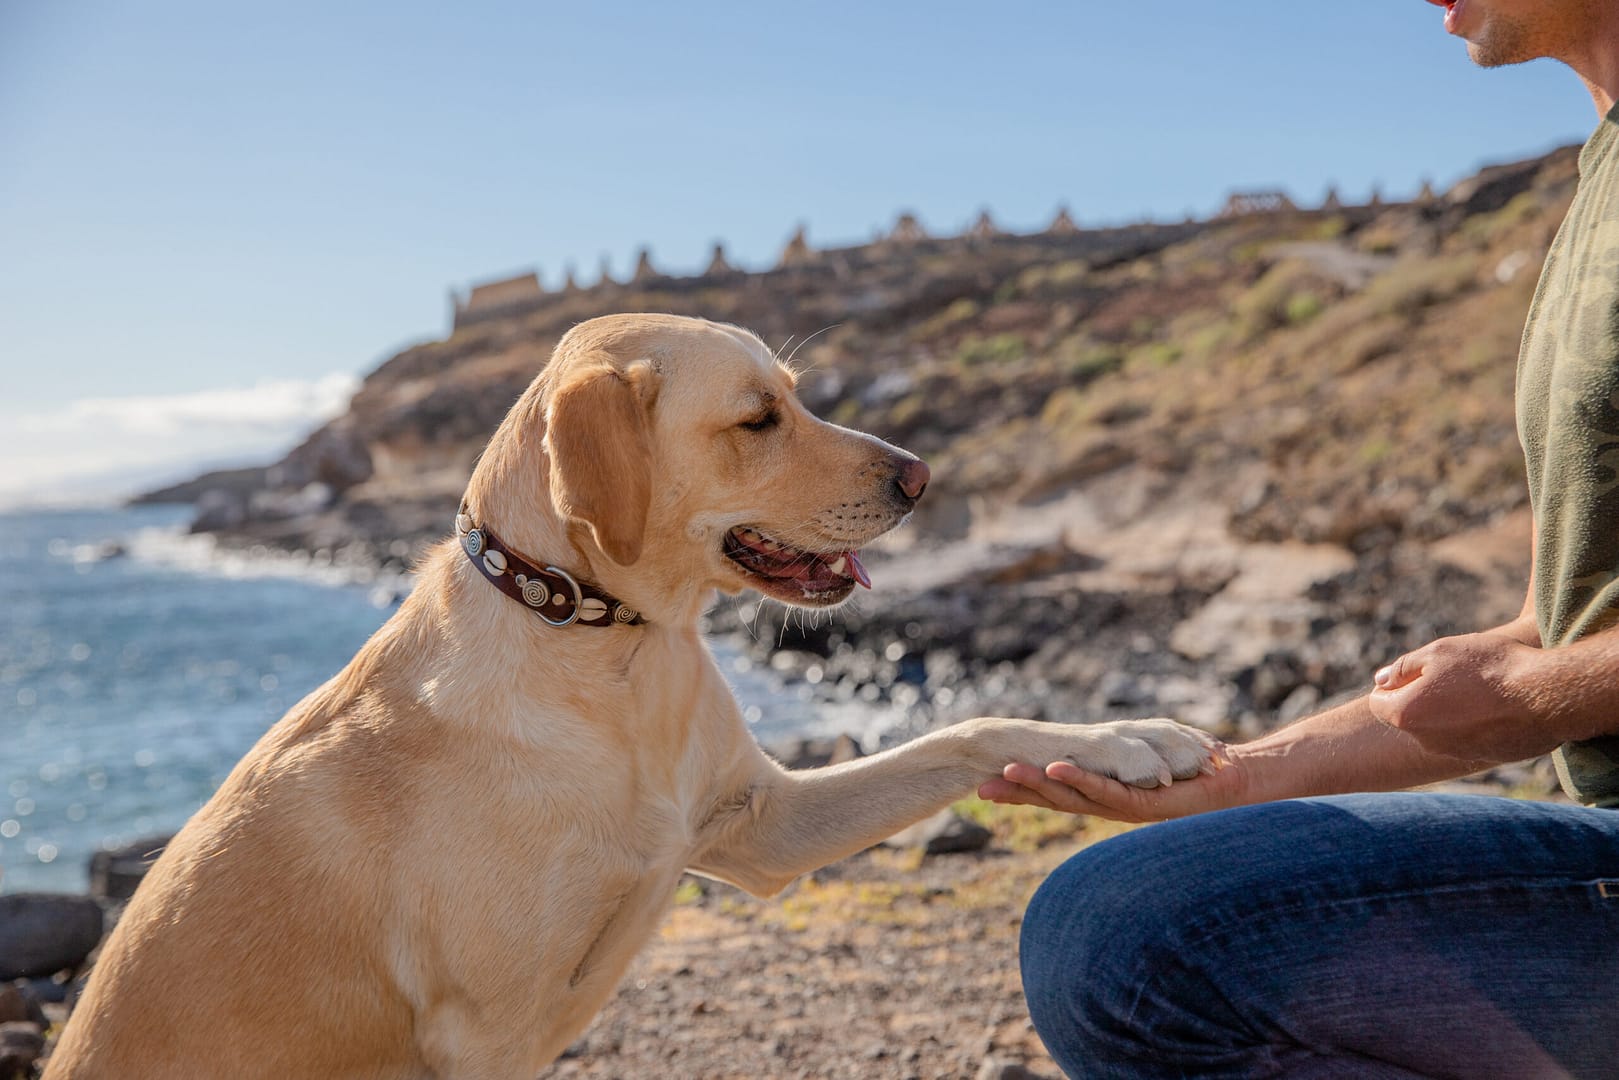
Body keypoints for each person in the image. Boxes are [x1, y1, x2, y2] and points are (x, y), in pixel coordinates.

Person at [981, 2, 1619, 1076]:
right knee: (1113, 920)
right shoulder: (1590, 187)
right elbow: (1557, 628)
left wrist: (1529, 698)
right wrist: (1236, 775)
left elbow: (1542, 681)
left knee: (1134, 938)